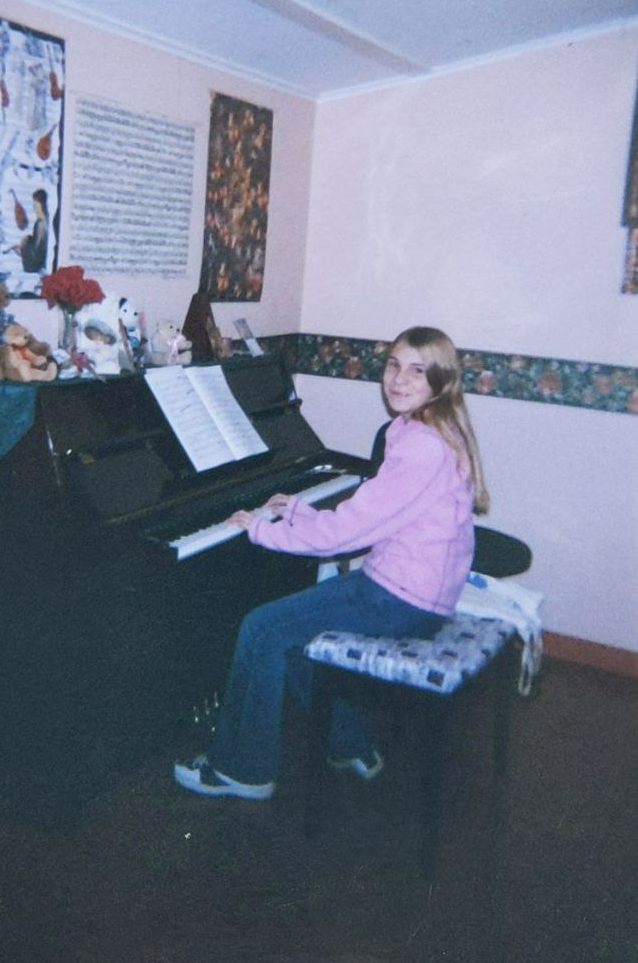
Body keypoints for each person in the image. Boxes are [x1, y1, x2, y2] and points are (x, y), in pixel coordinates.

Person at [173, 325, 489, 799]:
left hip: (402, 600)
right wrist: (298, 510)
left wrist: (260, 529)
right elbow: (376, 511)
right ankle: (353, 744)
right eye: (393, 365)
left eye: (416, 371)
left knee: (262, 628)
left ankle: (242, 770)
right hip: (407, 589)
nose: (399, 379)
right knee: (294, 634)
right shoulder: (422, 427)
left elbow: (345, 533)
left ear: (440, 381)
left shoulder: (422, 444)